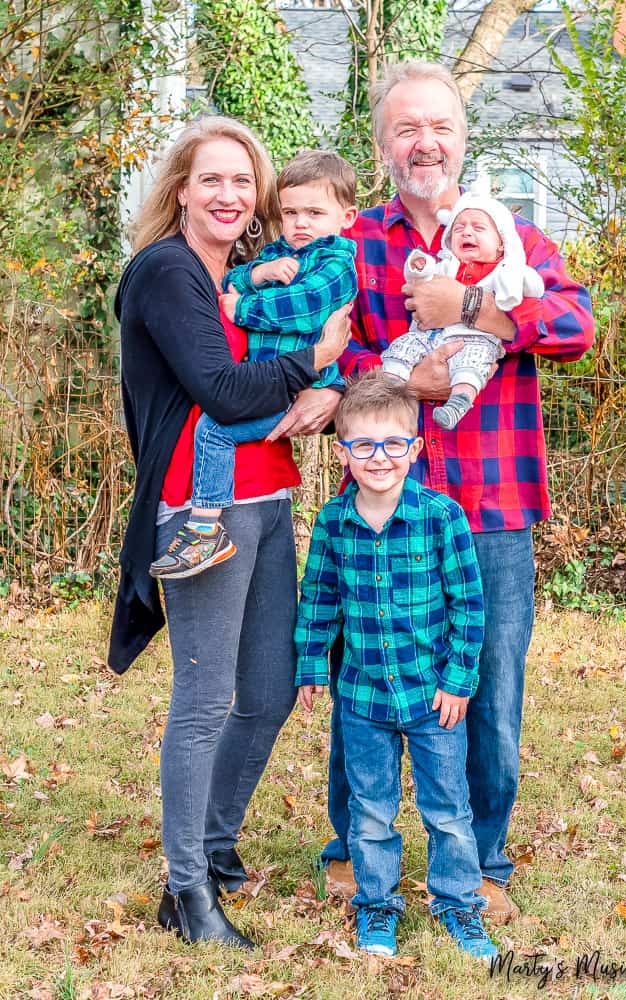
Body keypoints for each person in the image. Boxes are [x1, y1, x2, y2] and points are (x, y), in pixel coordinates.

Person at [322, 61, 595, 924]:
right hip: (380, 509)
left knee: (486, 682)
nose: (424, 143)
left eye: (438, 126)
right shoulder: (356, 243)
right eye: (405, 130)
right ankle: (351, 843)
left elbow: (576, 324)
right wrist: (415, 384)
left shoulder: (514, 238)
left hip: (491, 506)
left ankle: (482, 859)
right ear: (382, 148)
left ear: (463, 137)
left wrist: (469, 305)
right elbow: (333, 360)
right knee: (360, 669)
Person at [107, 116, 351, 946]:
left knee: (273, 687)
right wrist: (312, 363)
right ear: (182, 188)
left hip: (268, 495)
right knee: (206, 698)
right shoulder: (167, 272)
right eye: (212, 179)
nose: (228, 194)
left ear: (261, 200)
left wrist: (328, 381)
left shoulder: (244, 275)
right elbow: (221, 389)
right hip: (200, 509)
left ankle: (211, 845)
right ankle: (185, 893)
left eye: (244, 182)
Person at [295, 373, 497, 961]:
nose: (378, 458)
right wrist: (310, 664)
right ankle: (377, 905)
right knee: (372, 811)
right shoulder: (334, 522)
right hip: (362, 700)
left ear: (415, 447)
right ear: (342, 451)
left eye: (392, 444)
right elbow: (319, 596)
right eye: (363, 445)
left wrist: (459, 680)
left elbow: (469, 605)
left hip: (434, 698)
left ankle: (459, 905)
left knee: (449, 811)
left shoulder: (442, 518)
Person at [149, 149, 357, 580]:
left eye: (315, 212)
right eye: (291, 212)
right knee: (217, 429)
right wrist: (257, 278)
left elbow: (302, 307)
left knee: (214, 430)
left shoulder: (336, 263)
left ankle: (205, 528)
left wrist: (243, 307)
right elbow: (233, 278)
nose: (301, 223)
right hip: (270, 382)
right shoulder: (279, 252)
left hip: (298, 388)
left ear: (347, 216)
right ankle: (206, 528)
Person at [381, 184, 544, 429]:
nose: (467, 233)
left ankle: (460, 400)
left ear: (502, 243)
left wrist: (471, 303)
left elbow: (538, 292)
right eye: (458, 229)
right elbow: (423, 277)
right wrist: (418, 265)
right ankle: (389, 388)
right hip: (429, 335)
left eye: (478, 228)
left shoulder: (504, 269)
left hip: (473, 338)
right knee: (403, 345)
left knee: (471, 363)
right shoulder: (447, 266)